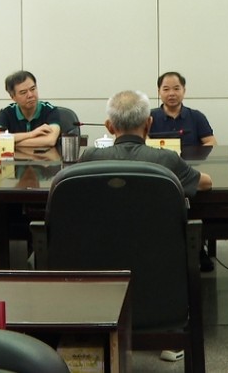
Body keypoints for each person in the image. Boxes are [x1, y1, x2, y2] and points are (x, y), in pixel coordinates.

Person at [79, 90, 214, 272]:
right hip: (159, 255)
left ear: (109, 127)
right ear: (149, 124)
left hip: (99, 251)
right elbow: (206, 183)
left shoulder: (90, 158)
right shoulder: (167, 159)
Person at [0, 71, 62, 149]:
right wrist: (31, 134)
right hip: (15, 157)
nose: (30, 95)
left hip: (45, 157)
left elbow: (50, 140)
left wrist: (11, 142)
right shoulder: (6, 113)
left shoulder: (50, 110)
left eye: (33, 89)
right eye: (23, 92)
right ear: (13, 97)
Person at [150, 71, 217, 147]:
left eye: (176, 89)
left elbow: (211, 142)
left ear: (184, 91)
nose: (171, 93)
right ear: (159, 92)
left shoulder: (196, 116)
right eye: (166, 89)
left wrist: (195, 152)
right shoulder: (149, 117)